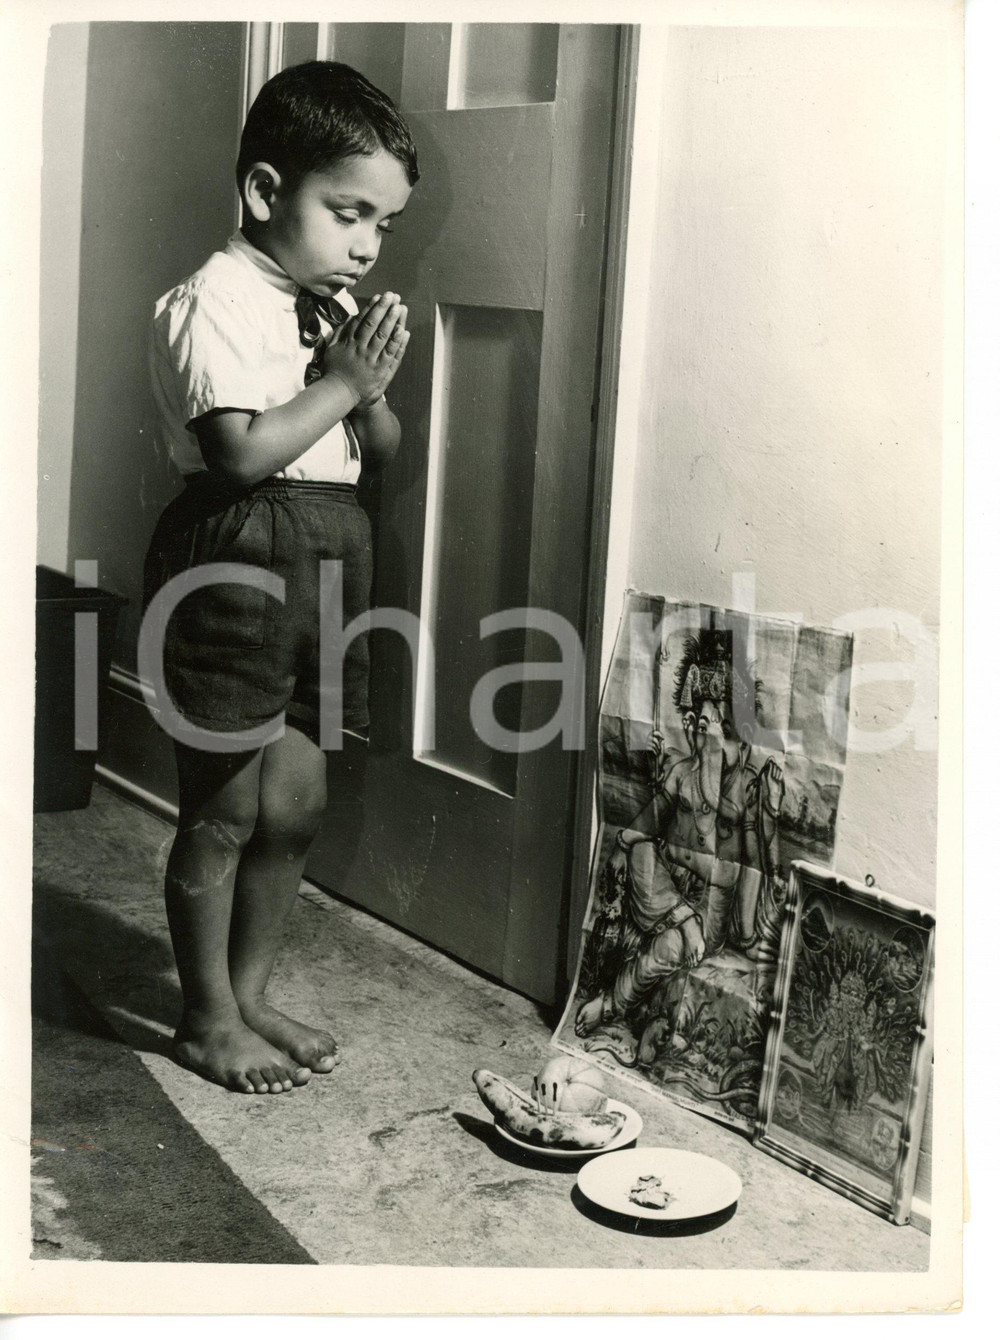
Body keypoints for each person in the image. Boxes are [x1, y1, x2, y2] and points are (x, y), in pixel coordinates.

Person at [142, 62, 417, 1095]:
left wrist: (367, 385)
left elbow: (376, 448)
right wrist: (340, 380)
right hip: (238, 556)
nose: (365, 243)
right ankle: (204, 1015)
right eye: (348, 212)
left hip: (332, 554)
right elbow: (241, 455)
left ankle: (250, 991)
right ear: (264, 192)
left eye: (383, 225)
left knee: (295, 800)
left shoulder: (322, 309)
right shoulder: (213, 299)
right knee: (223, 804)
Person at [576, 634, 784, 1039]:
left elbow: (759, 862)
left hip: (707, 910)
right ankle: (679, 920)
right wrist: (624, 845)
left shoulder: (746, 786)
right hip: (664, 895)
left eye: (724, 730)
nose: (713, 741)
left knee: (671, 948)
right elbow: (643, 826)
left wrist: (770, 815)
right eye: (705, 727)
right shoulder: (681, 772)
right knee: (640, 852)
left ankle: (612, 1003)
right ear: (692, 729)